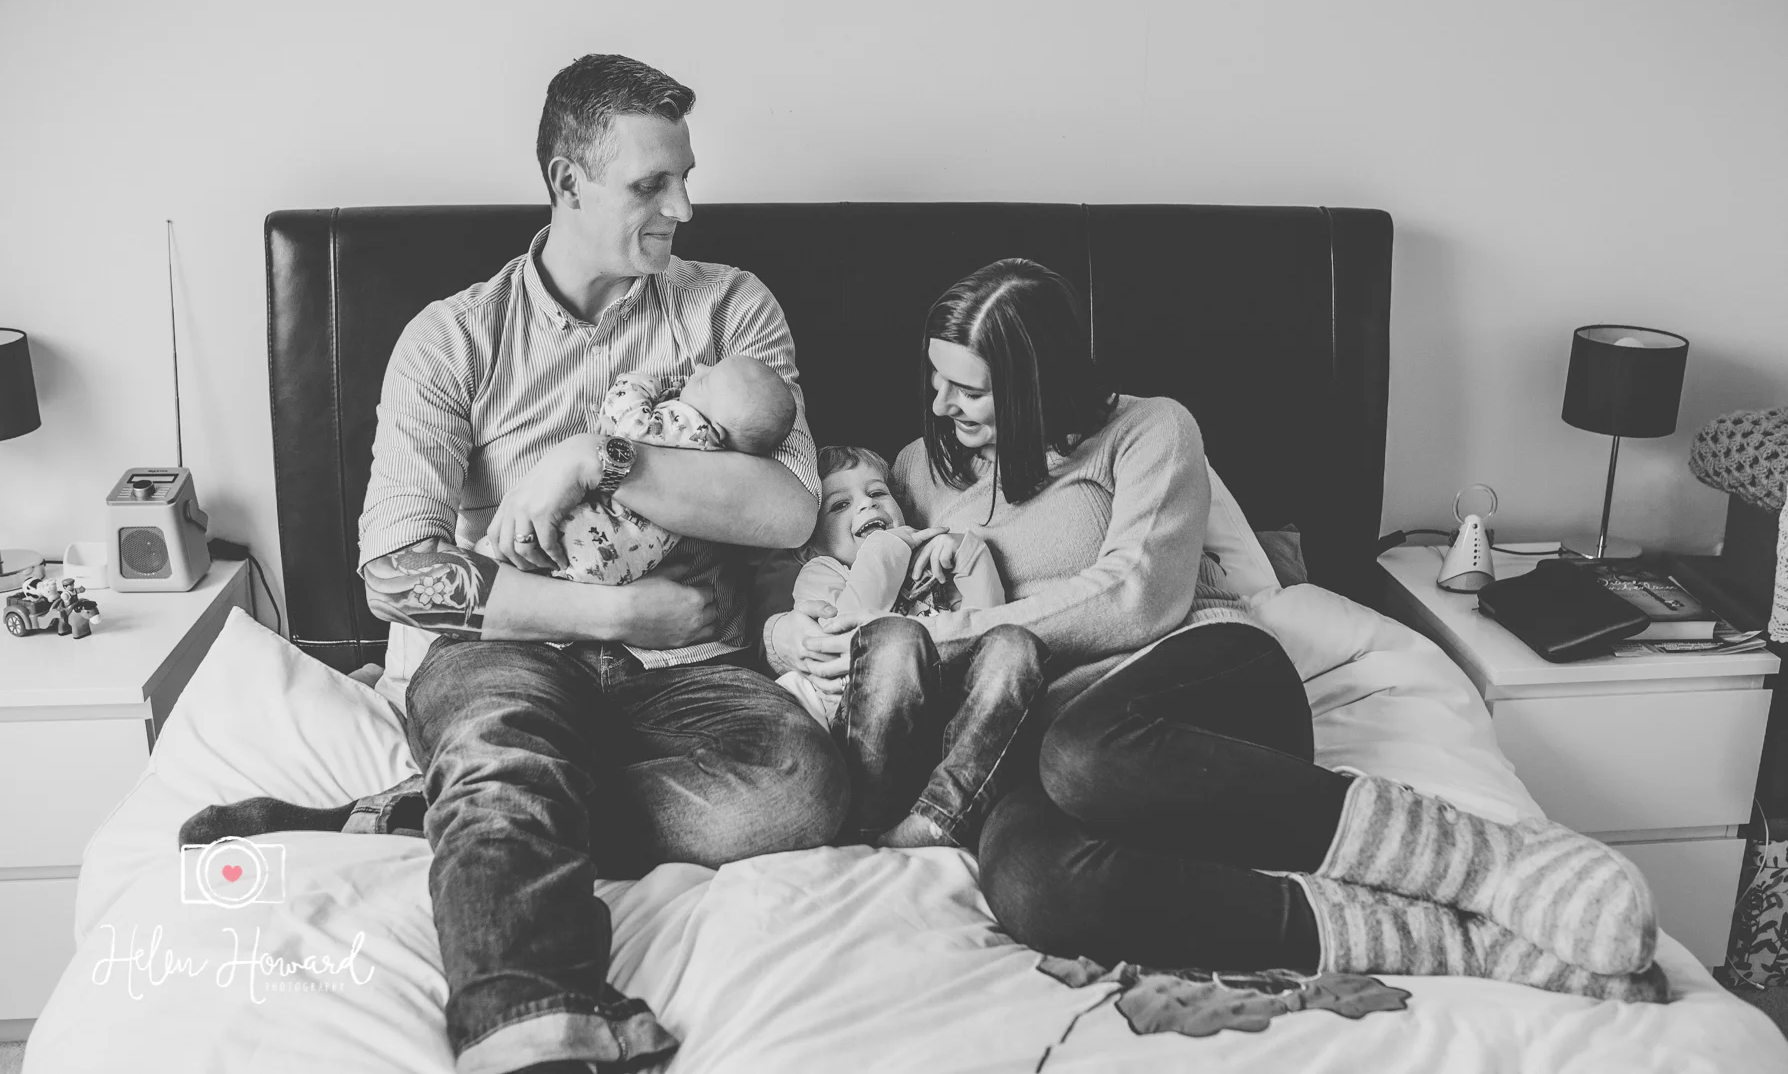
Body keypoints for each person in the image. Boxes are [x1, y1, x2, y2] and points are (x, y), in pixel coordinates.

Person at [185, 55, 847, 1074]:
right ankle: (531, 1020)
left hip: (693, 675)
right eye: (650, 185)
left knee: (801, 791)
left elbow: (791, 513)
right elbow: (399, 571)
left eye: (684, 177)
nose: (683, 207)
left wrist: (599, 458)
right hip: (507, 648)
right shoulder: (452, 340)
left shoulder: (732, 313)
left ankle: (444, 811)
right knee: (504, 739)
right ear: (565, 179)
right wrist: (622, 617)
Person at [768, 258, 1666, 1002]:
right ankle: (1444, 939)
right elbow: (848, 580)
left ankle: (1485, 860)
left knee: (1088, 752)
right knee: (1035, 887)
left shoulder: (1147, 430)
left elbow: (1136, 599)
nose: (942, 403)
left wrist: (964, 626)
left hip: (1196, 681)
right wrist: (792, 638)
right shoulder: (921, 470)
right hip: (1031, 740)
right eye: (936, 378)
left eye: (969, 388)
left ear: (1035, 380)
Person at [778, 444, 1045, 849]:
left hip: (950, 736)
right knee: (896, 638)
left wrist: (966, 554)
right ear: (807, 545)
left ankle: (937, 818)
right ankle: (871, 823)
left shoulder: (933, 562)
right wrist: (887, 548)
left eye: (877, 493)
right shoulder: (821, 572)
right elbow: (842, 638)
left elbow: (988, 625)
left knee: (1015, 646)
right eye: (840, 505)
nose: (866, 506)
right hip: (873, 745)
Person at [485, 357, 796, 585]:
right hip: (629, 559)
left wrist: (637, 384)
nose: (699, 367)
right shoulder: (718, 449)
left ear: (714, 427)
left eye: (704, 381)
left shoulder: (689, 424)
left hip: (604, 535)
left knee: (501, 550)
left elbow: (632, 424)